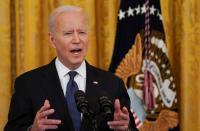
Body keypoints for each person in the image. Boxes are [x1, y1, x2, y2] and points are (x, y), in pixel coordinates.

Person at [4, 5, 137, 131]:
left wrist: (126, 128)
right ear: (52, 40)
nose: (77, 39)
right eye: (68, 33)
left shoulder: (112, 84)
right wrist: (32, 130)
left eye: (82, 32)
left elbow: (129, 127)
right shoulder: (28, 84)